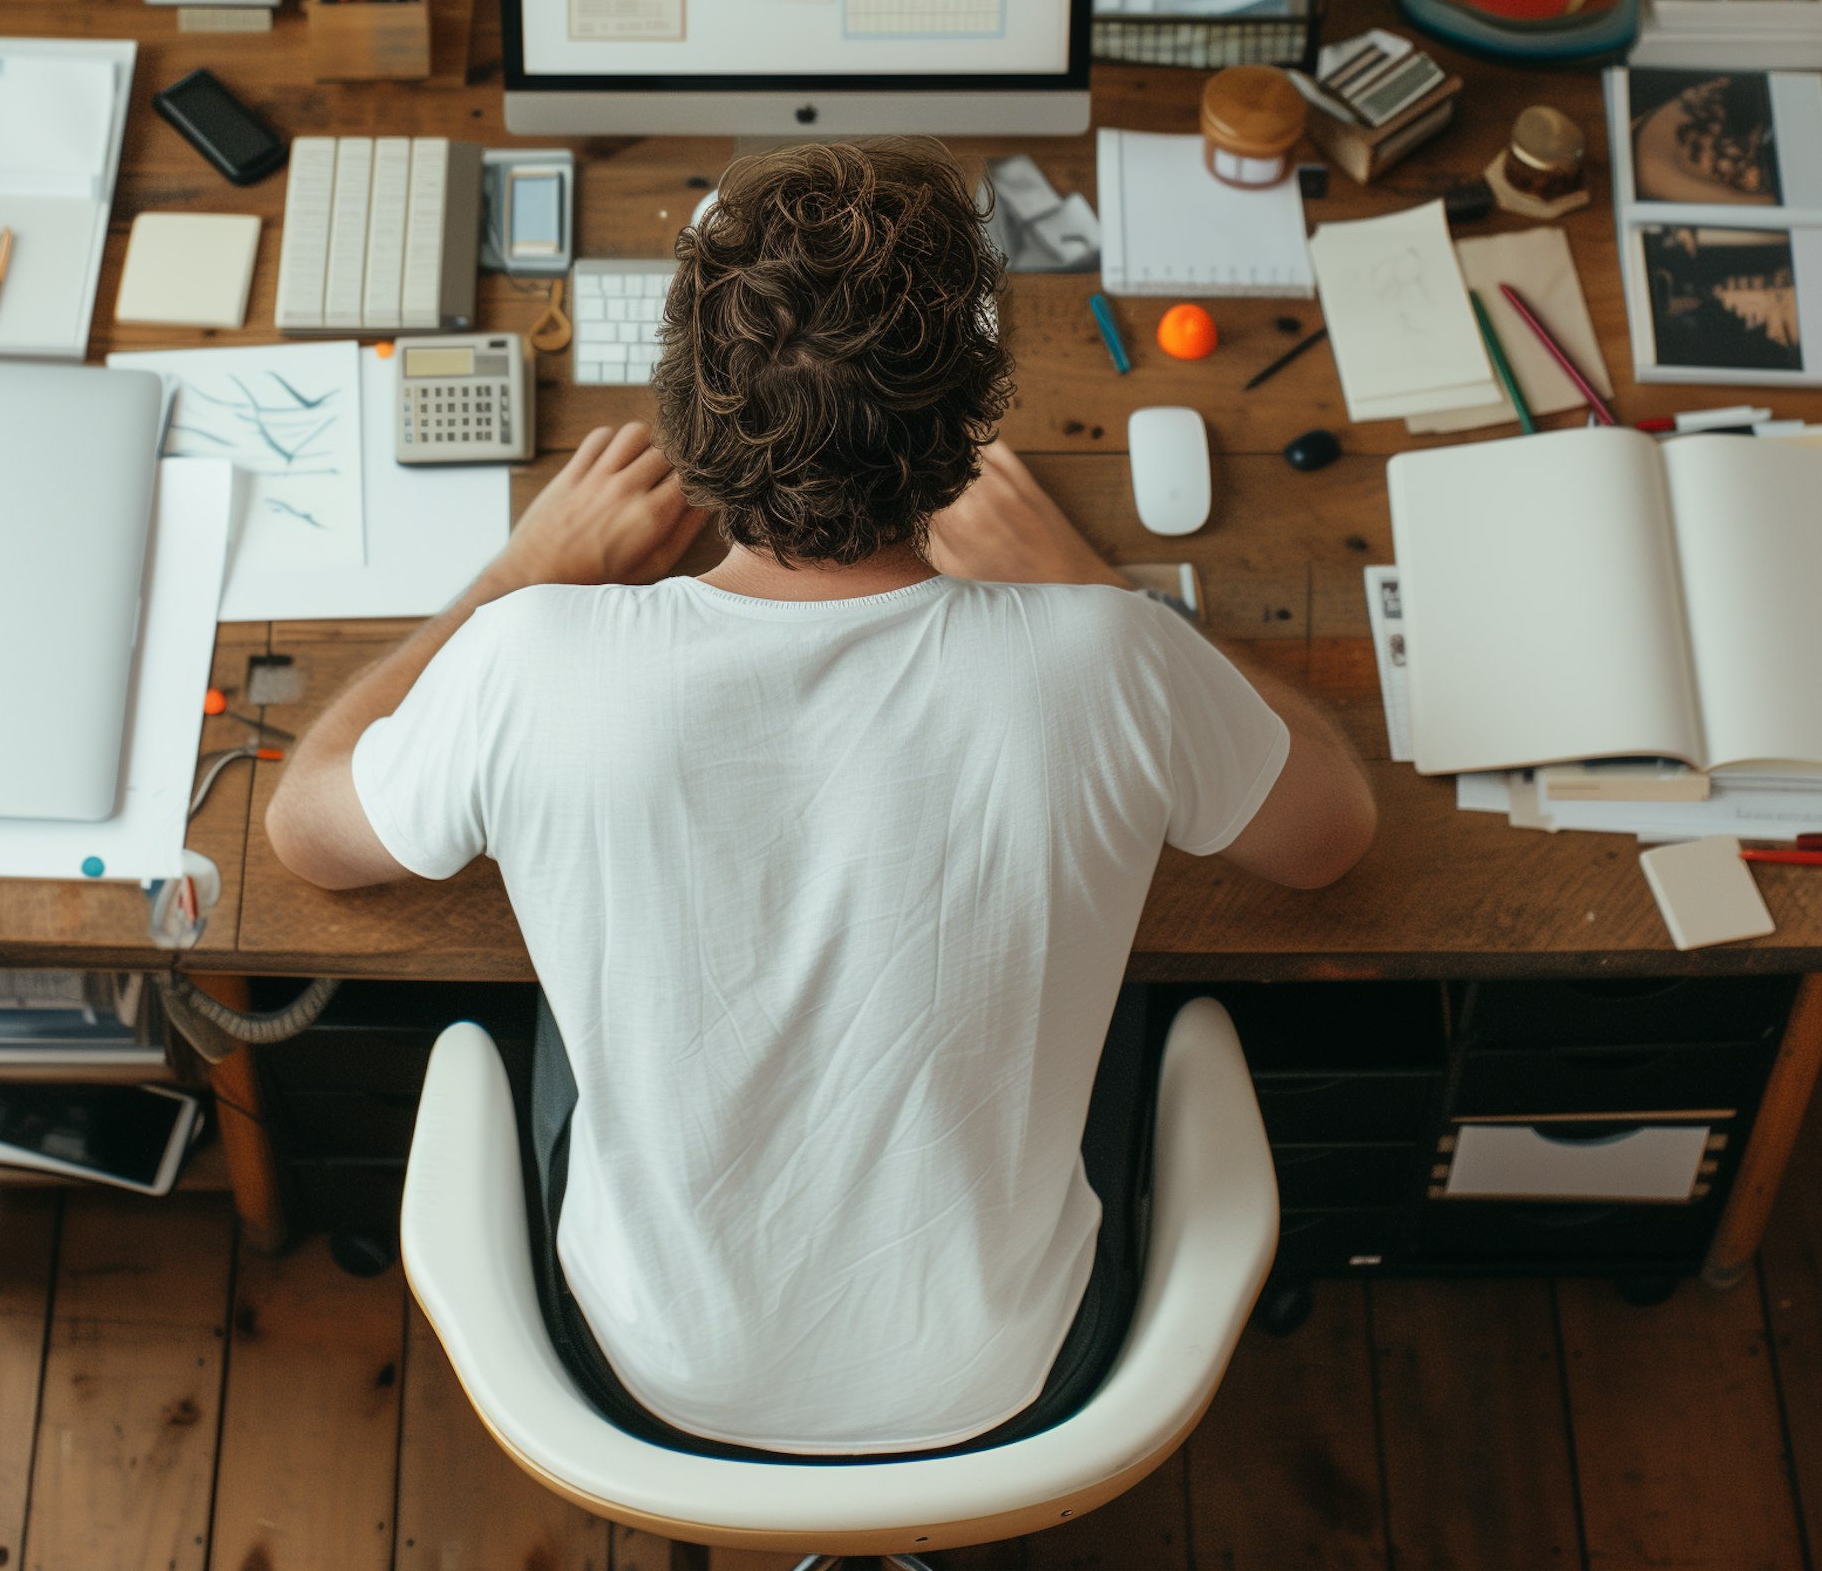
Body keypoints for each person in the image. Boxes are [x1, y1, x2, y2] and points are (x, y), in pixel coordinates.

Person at [266, 142, 1375, 1460]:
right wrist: (1090, 580)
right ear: (970, 432)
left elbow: (306, 829)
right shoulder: (1106, 659)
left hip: (644, 1375)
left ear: (688, 415)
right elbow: (1330, 837)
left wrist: (511, 579)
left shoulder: (531, 660)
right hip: (1019, 1374)